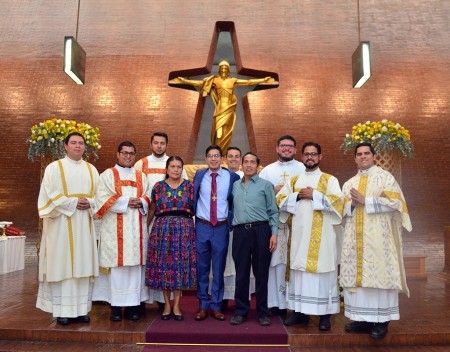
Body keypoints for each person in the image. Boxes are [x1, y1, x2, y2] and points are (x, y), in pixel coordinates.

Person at [341, 143, 412, 339]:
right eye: (359, 154)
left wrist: (367, 201)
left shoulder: (385, 178)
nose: (363, 157)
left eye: (366, 153)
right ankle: (361, 319)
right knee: (359, 281)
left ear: (373, 156)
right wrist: (352, 205)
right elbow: (341, 212)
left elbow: (396, 203)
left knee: (379, 277)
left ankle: (381, 322)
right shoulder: (348, 183)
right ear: (355, 158)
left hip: (378, 241)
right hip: (354, 242)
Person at [277, 142, 343, 330]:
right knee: (300, 273)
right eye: (306, 154)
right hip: (298, 236)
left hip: (323, 239)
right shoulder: (294, 180)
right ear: (302, 157)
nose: (310, 157)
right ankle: (299, 313)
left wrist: (316, 195)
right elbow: (280, 199)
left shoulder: (329, 180)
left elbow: (340, 204)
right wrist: (296, 196)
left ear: (320, 157)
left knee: (322, 274)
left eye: (313, 154)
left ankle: (324, 316)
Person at [36, 132, 99, 325]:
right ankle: (62, 311)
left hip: (84, 225)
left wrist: (89, 202)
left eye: (81, 143)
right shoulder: (54, 168)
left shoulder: (91, 169)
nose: (78, 146)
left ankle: (81, 310)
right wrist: (72, 203)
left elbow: (100, 195)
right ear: (65, 146)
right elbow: (49, 192)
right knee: (62, 265)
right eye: (73, 143)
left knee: (82, 264)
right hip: (61, 225)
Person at [93, 141, 151, 321]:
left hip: (137, 230)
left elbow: (148, 196)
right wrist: (127, 201)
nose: (128, 156)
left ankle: (134, 306)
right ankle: (116, 307)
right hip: (115, 231)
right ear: (117, 154)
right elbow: (101, 198)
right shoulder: (107, 175)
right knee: (117, 269)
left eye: (131, 153)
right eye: (124, 153)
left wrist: (141, 202)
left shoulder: (142, 176)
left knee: (135, 268)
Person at [171, 61, 274, 152]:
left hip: (229, 108)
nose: (224, 70)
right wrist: (185, 81)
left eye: (225, 68)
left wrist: (263, 80)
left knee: (226, 133)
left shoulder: (233, 80)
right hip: (220, 108)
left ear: (228, 70)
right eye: (222, 68)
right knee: (218, 131)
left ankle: (223, 155)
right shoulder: (214, 80)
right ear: (219, 70)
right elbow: (200, 83)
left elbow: (248, 82)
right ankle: (218, 153)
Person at [134, 131, 187, 307]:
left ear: (166, 144)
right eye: (156, 142)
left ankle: (162, 302)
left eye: (162, 143)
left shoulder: (174, 162)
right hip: (150, 217)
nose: (159, 146)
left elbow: (185, 194)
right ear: (151, 144)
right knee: (153, 260)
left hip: (173, 222)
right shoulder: (141, 163)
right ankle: (144, 298)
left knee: (169, 261)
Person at [230, 152, 279, 326]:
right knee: (241, 273)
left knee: (261, 273)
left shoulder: (266, 185)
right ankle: (241, 311)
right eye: (246, 162)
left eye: (252, 162)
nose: (249, 165)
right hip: (241, 233)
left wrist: (274, 233)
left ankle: (262, 313)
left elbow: (273, 211)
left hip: (261, 231)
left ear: (258, 166)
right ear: (242, 165)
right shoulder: (235, 185)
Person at [259, 135, 305, 317]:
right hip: (275, 225)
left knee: (293, 263)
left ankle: (293, 304)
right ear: (277, 148)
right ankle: (275, 303)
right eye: (283, 146)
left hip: (296, 224)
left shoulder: (303, 169)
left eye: (290, 146)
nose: (286, 149)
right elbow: (258, 194)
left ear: (295, 150)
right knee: (274, 265)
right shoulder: (267, 171)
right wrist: (272, 190)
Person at [193, 145, 240, 321]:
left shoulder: (232, 176)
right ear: (206, 158)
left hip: (221, 227)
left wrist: (231, 221)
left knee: (219, 268)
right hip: (202, 226)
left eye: (217, 156)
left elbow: (236, 201)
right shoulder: (199, 175)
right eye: (210, 156)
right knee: (202, 268)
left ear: (222, 159)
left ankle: (216, 305)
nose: (213, 159)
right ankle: (203, 305)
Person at [145, 156, 196, 321]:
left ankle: (177, 305)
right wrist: (145, 226)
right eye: (172, 166)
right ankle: (167, 304)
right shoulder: (158, 187)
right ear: (166, 169)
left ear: (182, 169)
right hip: (162, 229)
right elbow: (153, 207)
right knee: (164, 267)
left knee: (179, 267)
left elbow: (196, 208)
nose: (175, 169)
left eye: (178, 167)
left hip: (184, 229)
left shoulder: (190, 186)